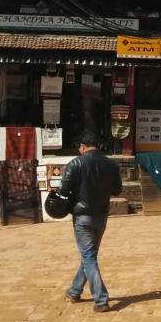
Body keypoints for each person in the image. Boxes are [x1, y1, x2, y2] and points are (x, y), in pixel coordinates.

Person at [60, 131, 122, 312]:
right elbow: (117, 190)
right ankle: (74, 290)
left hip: (82, 216)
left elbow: (64, 191)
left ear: (82, 146)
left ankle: (101, 299)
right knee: (89, 255)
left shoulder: (75, 164)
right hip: (101, 215)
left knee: (88, 256)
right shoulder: (110, 164)